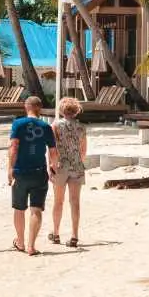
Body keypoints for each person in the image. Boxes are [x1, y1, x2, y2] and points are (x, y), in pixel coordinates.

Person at [7, 95, 56, 256]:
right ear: (39, 108)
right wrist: (52, 168)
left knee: (19, 208)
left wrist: (10, 168)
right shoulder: (46, 126)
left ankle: (20, 241)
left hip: (21, 171)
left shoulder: (18, 124)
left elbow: (13, 147)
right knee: (36, 210)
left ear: (26, 107)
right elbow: (53, 152)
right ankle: (31, 246)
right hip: (39, 171)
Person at [47, 97, 89, 248]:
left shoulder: (55, 126)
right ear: (76, 111)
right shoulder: (82, 128)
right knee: (75, 202)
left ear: (62, 110)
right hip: (77, 166)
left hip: (60, 166)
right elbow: (84, 151)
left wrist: (51, 166)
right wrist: (77, 161)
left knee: (58, 201)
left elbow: (52, 149)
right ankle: (74, 236)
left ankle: (56, 233)